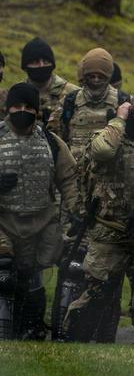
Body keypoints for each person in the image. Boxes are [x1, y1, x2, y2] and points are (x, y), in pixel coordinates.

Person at [64, 93, 134, 344]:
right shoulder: (110, 137)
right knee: (98, 292)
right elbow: (102, 152)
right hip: (109, 230)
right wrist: (119, 119)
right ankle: (72, 343)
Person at [48, 48, 129, 342]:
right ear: (83, 74)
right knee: (71, 259)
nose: (95, 80)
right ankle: (62, 326)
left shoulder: (122, 103)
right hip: (75, 193)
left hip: (109, 196)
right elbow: (56, 142)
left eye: (101, 75)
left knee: (110, 265)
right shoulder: (69, 103)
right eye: (91, 74)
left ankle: (106, 330)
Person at [0, 83, 77, 340]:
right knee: (4, 273)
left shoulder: (51, 143)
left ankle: (32, 329)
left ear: (37, 110)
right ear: (7, 108)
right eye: (17, 106)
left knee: (32, 278)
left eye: (28, 107)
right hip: (4, 223)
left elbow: (68, 180)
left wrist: (75, 214)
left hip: (41, 224)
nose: (22, 111)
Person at [21, 37, 79, 128]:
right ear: (25, 66)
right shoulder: (16, 94)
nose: (41, 65)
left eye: (46, 61)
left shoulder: (73, 94)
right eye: (35, 62)